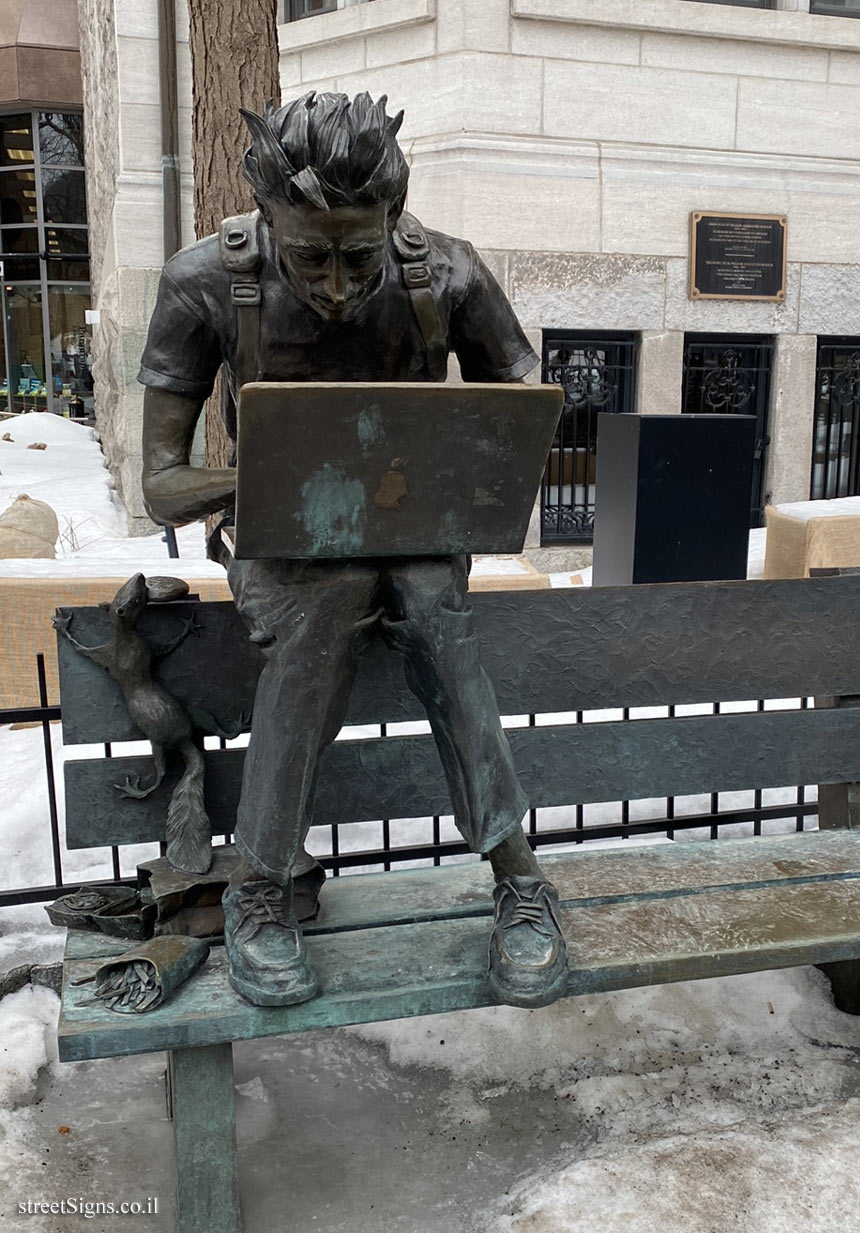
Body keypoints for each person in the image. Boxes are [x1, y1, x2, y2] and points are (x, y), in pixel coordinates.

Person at [138, 91, 567, 1011]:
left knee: (434, 616)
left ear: (396, 220)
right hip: (284, 547)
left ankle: (520, 880)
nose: (335, 286)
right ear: (266, 221)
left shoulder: (449, 274)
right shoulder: (202, 282)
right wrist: (261, 484)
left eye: (359, 258)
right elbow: (159, 480)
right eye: (310, 259)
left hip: (414, 534)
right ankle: (258, 888)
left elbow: (521, 404)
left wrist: (486, 460)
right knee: (324, 614)